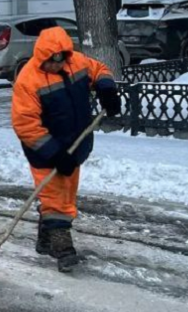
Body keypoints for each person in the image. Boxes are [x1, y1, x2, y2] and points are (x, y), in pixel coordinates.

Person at [11, 26, 121, 272]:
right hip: (45, 151)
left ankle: (46, 237)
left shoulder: (76, 63)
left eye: (60, 60)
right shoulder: (28, 80)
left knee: (66, 194)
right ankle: (62, 247)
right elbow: (25, 124)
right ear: (42, 57)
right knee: (55, 199)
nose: (56, 66)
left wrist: (106, 89)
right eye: (51, 61)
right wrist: (54, 153)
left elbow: (100, 70)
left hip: (76, 145)